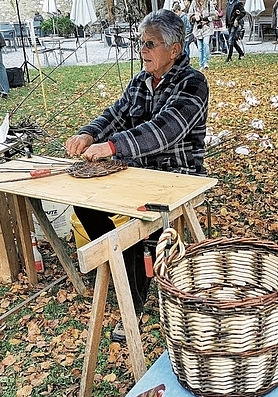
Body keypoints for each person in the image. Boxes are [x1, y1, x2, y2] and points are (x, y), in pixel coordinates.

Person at [64, 9, 208, 343]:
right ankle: (122, 260)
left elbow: (165, 130)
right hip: (138, 172)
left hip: (177, 174)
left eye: (150, 44)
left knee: (137, 231)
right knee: (85, 204)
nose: (142, 50)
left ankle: (134, 295)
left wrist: (110, 147)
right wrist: (89, 134)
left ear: (174, 50)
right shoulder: (141, 81)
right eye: (141, 42)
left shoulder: (193, 83)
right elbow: (114, 114)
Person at [187, 0, 216, 70]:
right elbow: (189, 16)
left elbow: (214, 15)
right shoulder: (194, 3)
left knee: (206, 44)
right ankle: (201, 64)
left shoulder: (208, 3)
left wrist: (207, 20)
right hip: (198, 29)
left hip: (207, 28)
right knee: (200, 48)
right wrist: (195, 17)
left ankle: (206, 62)